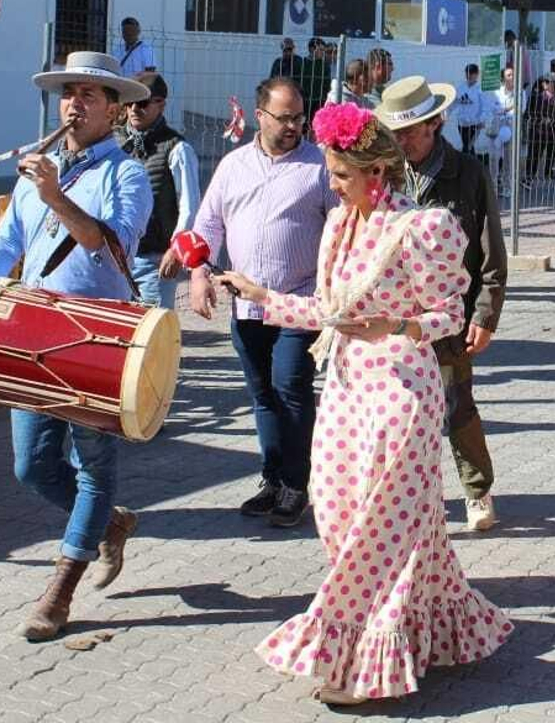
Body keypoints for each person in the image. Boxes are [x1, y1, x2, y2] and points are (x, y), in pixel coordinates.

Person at [215, 103, 511, 704]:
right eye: (331, 172)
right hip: (347, 390)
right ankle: (432, 629)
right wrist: (261, 295)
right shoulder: (339, 225)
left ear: (377, 172)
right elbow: (330, 313)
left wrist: (396, 326)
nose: (331, 184)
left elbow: (448, 314)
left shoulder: (422, 228)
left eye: (341, 174)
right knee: (339, 513)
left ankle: (363, 660)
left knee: (381, 527)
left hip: (403, 394)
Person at [0, 52, 154, 641]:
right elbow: (7, 238)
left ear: (114, 110)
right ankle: (109, 525)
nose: (74, 104)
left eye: (89, 95)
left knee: (94, 464)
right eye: (69, 93)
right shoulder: (38, 171)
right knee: (32, 465)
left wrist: (56, 194)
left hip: (98, 334)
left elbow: (110, 244)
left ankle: (60, 590)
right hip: (35, 330)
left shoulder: (126, 174)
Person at [189, 77, 338, 527]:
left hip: (299, 300)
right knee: (263, 394)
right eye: (284, 117)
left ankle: (296, 485)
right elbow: (207, 225)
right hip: (247, 306)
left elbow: (341, 227)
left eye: (299, 117)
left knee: (290, 386)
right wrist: (199, 274)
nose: (294, 126)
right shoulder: (233, 166)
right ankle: (272, 479)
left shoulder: (319, 167)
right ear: (260, 116)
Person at [377, 77, 508, 532]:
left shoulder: (468, 173)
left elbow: (491, 252)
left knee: (457, 407)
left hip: (450, 317)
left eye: (410, 131)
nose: (402, 141)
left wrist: (485, 314)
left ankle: (477, 490)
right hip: (396, 317)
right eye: (395, 132)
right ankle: (409, 495)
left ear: (435, 123)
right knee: (399, 411)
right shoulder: (383, 176)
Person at [116, 74, 198, 310]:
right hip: (113, 260)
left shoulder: (177, 148)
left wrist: (176, 250)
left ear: (161, 104)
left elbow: (189, 206)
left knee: (152, 330)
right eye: (129, 103)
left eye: (142, 103)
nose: (134, 109)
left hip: (154, 262)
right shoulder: (112, 142)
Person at [524, 74, 555, 184]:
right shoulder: (536, 97)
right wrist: (539, 120)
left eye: (548, 82)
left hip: (552, 131)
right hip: (538, 131)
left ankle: (548, 174)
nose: (545, 84)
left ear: (554, 83)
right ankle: (529, 176)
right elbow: (529, 113)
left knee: (551, 155)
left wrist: (551, 120)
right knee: (534, 155)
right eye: (544, 82)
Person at [454, 63, 487, 156]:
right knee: (467, 147)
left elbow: (484, 107)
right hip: (462, 123)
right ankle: (472, 163)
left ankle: (467, 163)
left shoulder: (479, 89)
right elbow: (454, 103)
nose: (469, 75)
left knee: (468, 147)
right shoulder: (460, 88)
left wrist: (482, 120)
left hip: (474, 124)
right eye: (467, 73)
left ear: (476, 75)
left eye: (472, 73)